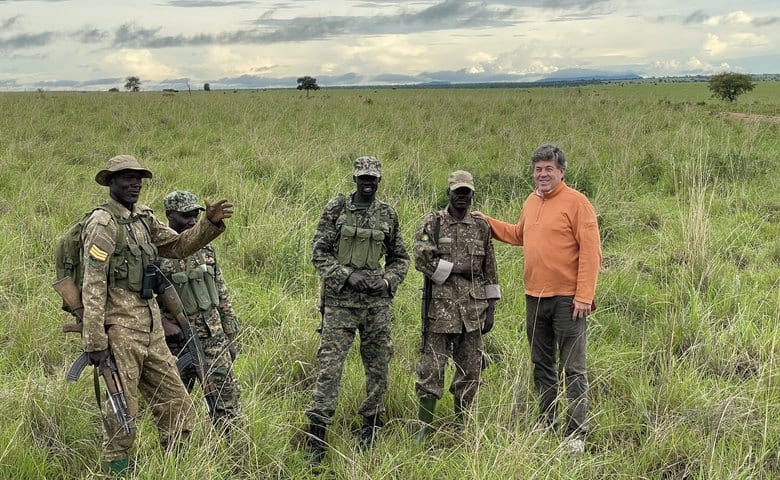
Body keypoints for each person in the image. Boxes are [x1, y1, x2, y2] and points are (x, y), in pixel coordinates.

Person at [80, 155, 233, 475]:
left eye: (138, 178)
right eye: (126, 178)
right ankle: (118, 472)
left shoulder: (143, 219)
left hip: (151, 328)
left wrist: (209, 224)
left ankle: (174, 471)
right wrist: (95, 338)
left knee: (178, 408)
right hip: (121, 329)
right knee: (122, 418)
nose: (134, 183)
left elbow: (178, 246)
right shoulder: (102, 224)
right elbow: (93, 282)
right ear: (110, 182)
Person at [477, 144, 601, 454]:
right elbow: (520, 234)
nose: (542, 174)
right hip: (534, 297)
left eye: (548, 168)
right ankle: (547, 422)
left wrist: (584, 296)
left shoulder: (577, 203)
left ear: (561, 171)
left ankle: (576, 433)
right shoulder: (531, 201)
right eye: (538, 169)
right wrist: (486, 223)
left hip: (568, 299)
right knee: (541, 364)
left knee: (573, 367)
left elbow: (591, 252)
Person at [305, 156, 409, 465]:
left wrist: (388, 281)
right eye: (363, 177)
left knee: (378, 366)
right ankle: (317, 435)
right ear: (355, 178)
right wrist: (346, 275)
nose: (368, 182)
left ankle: (371, 428)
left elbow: (400, 257)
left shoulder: (388, 215)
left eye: (373, 178)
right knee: (329, 368)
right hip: (340, 304)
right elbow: (318, 252)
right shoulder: (336, 210)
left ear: (379, 180)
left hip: (376, 305)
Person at [413, 170, 500, 441]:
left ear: (472, 194)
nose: (462, 197)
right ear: (448, 193)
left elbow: (490, 269)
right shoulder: (434, 223)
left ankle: (461, 427)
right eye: (457, 192)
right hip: (439, 313)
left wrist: (491, 308)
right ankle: (424, 431)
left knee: (470, 372)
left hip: (473, 314)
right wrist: (457, 269)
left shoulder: (481, 226)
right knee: (431, 371)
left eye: (466, 193)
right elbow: (421, 259)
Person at [158, 190, 241, 435]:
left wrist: (229, 333)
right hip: (174, 344)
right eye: (185, 216)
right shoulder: (155, 251)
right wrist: (163, 323)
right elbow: (141, 298)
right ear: (169, 215)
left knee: (227, 401)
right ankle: (177, 458)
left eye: (196, 215)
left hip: (212, 337)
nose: (193, 221)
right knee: (174, 406)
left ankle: (232, 453)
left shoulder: (205, 249)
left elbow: (220, 291)